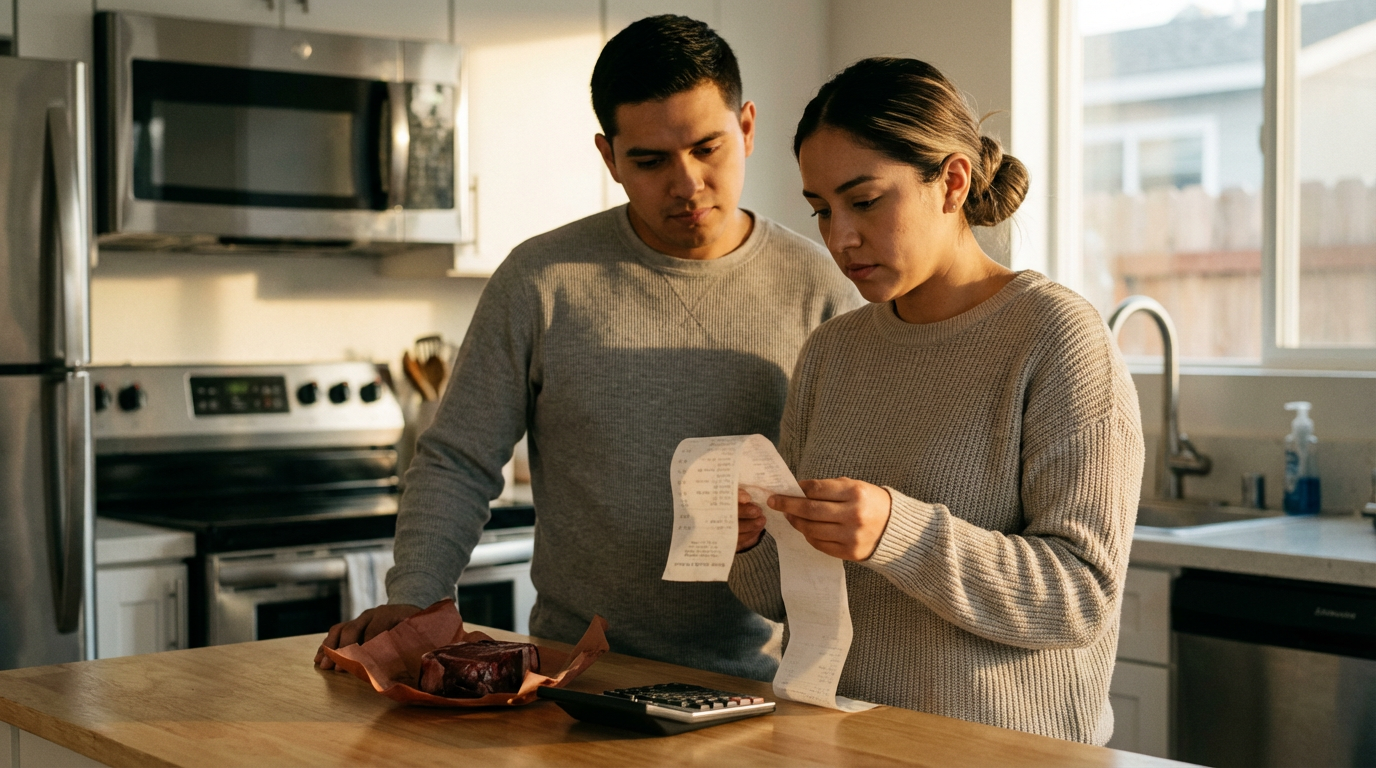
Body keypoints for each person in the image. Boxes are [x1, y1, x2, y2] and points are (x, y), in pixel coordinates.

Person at [316, 15, 859, 679]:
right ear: (609, 158)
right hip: (575, 677)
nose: (686, 183)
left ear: (746, 128)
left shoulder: (824, 288)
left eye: (707, 148)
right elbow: (458, 459)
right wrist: (416, 597)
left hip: (764, 683)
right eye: (650, 161)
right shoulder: (542, 279)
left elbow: (842, 495)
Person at [729, 57, 1144, 744]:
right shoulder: (831, 352)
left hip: (1008, 753)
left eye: (865, 201)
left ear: (952, 181)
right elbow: (782, 599)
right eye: (822, 210)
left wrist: (898, 532)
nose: (839, 238)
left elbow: (1080, 597)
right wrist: (750, 543)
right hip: (846, 742)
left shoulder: (1056, 337)